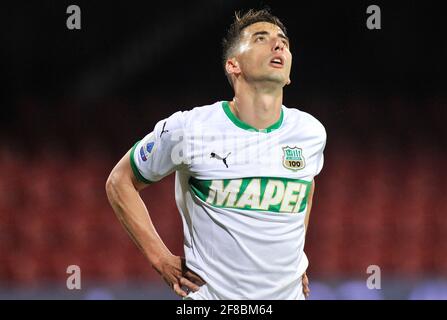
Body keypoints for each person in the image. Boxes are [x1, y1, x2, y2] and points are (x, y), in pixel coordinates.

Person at [106, 8, 326, 300]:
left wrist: (294, 258)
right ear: (233, 65)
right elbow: (119, 182)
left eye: (283, 41)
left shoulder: (310, 132)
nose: (278, 45)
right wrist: (160, 259)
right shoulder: (189, 129)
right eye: (261, 38)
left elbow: (305, 189)